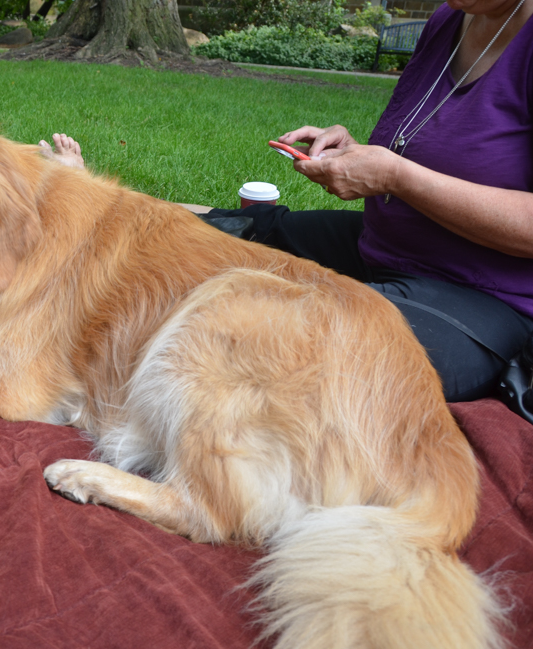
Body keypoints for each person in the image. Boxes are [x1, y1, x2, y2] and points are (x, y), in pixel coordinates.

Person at [40, 0, 533, 403]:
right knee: (215, 237)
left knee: (285, 334)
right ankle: (91, 202)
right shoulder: (449, 19)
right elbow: (423, 141)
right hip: (379, 247)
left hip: (483, 297)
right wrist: (353, 152)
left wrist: (396, 176)